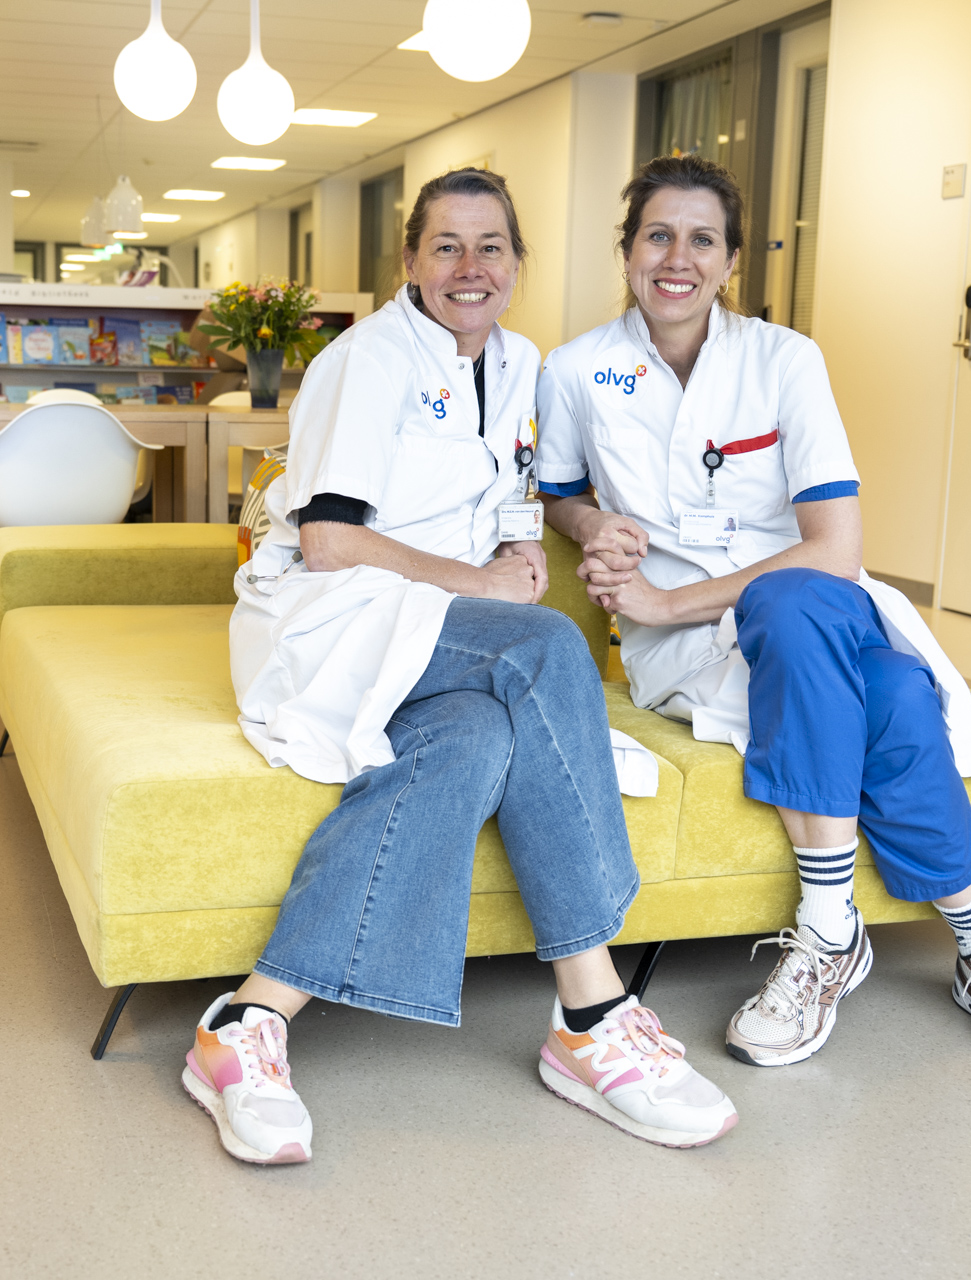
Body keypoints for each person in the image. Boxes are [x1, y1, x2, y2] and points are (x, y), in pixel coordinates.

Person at [198, 168, 739, 1166]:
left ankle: (244, 1021)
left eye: (491, 247)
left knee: (477, 741)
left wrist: (524, 553)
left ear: (519, 264)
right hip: (335, 622)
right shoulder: (366, 361)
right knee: (545, 646)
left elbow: (508, 496)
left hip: (432, 632)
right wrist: (482, 585)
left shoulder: (519, 360)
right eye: (445, 245)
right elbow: (326, 540)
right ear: (408, 260)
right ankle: (594, 1010)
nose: (470, 267)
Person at [536, 155, 971, 1070]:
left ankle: (827, 931)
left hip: (796, 607)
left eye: (702, 239)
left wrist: (666, 594)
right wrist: (597, 523)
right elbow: (556, 490)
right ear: (627, 250)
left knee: (795, 599)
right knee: (892, 700)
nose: (678, 256)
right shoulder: (578, 370)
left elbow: (832, 548)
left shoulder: (784, 359)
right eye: (658, 235)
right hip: (689, 653)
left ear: (731, 260)